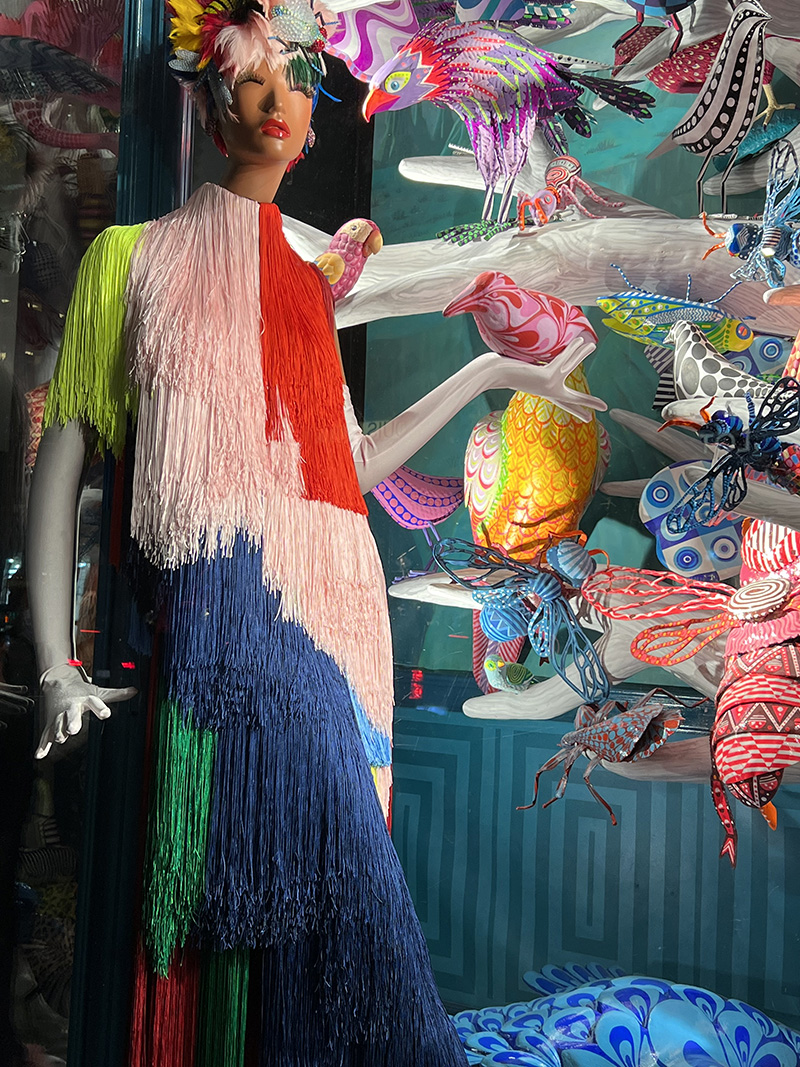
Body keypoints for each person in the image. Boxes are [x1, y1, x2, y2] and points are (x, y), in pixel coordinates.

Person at [26, 0, 604, 1062]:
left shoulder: (304, 283)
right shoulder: (130, 258)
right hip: (228, 617)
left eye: (294, 83)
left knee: (332, 926)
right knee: (275, 920)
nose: (277, 103)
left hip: (340, 621)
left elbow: (350, 466)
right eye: (251, 83)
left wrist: (490, 368)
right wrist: (55, 663)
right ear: (211, 107)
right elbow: (60, 466)